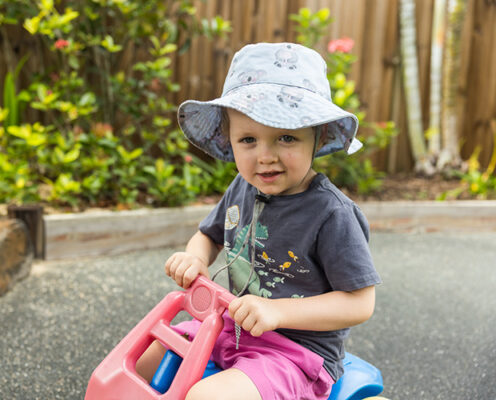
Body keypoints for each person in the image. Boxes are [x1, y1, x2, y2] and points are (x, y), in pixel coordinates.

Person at [136, 42, 381, 400]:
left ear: (319, 135)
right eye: (248, 139)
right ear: (229, 140)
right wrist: (195, 258)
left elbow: (360, 303)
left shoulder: (331, 214)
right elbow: (208, 235)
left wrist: (276, 311)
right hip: (227, 326)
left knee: (207, 397)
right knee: (146, 358)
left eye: (286, 137)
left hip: (293, 352)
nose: (265, 157)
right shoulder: (242, 187)